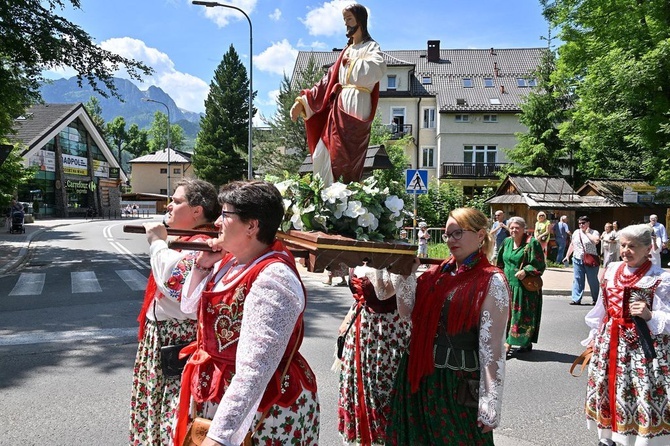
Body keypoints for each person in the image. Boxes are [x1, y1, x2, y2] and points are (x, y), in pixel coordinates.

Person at [173, 181, 319, 446]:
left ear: (252, 226)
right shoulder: (230, 261)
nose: (217, 222)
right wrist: (202, 267)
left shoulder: (273, 278)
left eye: (225, 214)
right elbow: (191, 309)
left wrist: (219, 438)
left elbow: (255, 369)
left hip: (262, 408)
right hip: (219, 393)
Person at [386, 207, 510, 444]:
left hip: (454, 385)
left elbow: (492, 349)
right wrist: (405, 275)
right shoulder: (436, 274)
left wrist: (490, 401)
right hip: (417, 378)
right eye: (447, 234)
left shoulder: (491, 281)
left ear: (481, 235)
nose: (450, 240)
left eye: (457, 233)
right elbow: (406, 312)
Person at [129, 179, 220, 446]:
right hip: (163, 334)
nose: (169, 205)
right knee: (158, 402)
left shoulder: (204, 242)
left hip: (176, 337)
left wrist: (157, 242)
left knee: (171, 405)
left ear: (197, 210)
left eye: (177, 201)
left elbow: (173, 282)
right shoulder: (189, 240)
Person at [581, 224, 670, 446]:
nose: (625, 250)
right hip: (609, 340)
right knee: (606, 386)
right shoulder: (611, 270)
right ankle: (608, 438)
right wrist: (594, 335)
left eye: (632, 246)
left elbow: (667, 316)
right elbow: (602, 307)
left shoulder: (660, 277)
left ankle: (637, 440)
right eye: (622, 245)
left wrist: (650, 315)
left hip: (642, 347)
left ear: (648, 248)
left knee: (639, 391)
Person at [290, 3, 386, 186]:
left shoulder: (371, 47)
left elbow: (378, 69)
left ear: (361, 20)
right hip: (338, 106)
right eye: (345, 20)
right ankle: (325, 196)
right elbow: (327, 80)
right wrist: (303, 101)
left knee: (346, 160)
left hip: (357, 104)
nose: (346, 24)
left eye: (349, 19)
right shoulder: (346, 51)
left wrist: (353, 64)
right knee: (320, 153)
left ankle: (341, 200)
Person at [336, 263, 410, 444]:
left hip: (387, 333)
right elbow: (360, 297)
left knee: (382, 388)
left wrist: (382, 262)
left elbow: (384, 293)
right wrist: (347, 320)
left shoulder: (394, 260)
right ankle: (364, 437)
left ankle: (383, 438)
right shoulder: (359, 254)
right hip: (360, 327)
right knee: (356, 386)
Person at [496, 216, 545, 355]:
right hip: (507, 284)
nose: (514, 230)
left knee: (521, 315)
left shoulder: (532, 243)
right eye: (511, 227)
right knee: (506, 315)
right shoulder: (506, 242)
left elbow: (540, 264)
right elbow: (500, 263)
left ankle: (511, 343)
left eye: (517, 227)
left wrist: (526, 270)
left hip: (524, 287)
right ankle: (516, 341)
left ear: (524, 229)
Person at [564, 215, 601, 305]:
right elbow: (573, 244)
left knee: (592, 280)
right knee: (577, 279)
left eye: (583, 223)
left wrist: (587, 233)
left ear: (588, 223)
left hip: (590, 259)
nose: (581, 225)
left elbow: (596, 241)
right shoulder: (576, 232)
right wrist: (567, 256)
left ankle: (596, 299)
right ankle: (576, 299)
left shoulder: (594, 232)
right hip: (577, 258)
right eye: (579, 223)